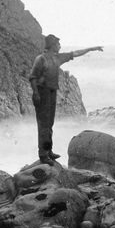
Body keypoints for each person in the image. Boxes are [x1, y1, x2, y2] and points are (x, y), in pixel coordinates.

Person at [30, 34, 103, 164]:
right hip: (42, 93)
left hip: (52, 92)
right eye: (58, 44)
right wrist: (36, 94)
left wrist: (92, 48)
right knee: (43, 125)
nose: (60, 46)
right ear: (52, 45)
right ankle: (43, 154)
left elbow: (76, 53)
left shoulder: (57, 58)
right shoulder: (40, 59)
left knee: (49, 124)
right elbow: (33, 77)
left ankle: (48, 151)